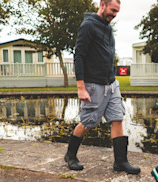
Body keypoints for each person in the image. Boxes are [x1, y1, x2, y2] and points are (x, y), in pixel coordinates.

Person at [64, 0, 140, 174]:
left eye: (117, 12)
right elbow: (79, 56)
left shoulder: (107, 27)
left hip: (111, 84)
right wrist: (81, 87)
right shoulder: (88, 25)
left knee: (117, 117)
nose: (114, 14)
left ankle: (120, 161)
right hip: (93, 85)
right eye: (112, 10)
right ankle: (70, 155)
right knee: (88, 122)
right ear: (102, 4)